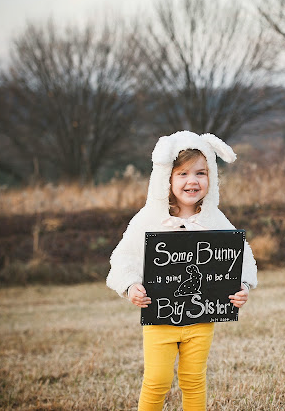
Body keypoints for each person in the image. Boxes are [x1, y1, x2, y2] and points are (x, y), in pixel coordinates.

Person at [106, 131, 258, 410]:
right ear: (167, 177)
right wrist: (130, 286)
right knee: (157, 381)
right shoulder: (150, 219)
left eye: (201, 173)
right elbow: (123, 257)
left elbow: (240, 256)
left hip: (201, 317)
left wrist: (243, 286)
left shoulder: (215, 219)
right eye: (183, 174)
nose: (193, 181)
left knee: (193, 379)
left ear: (211, 176)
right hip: (160, 318)